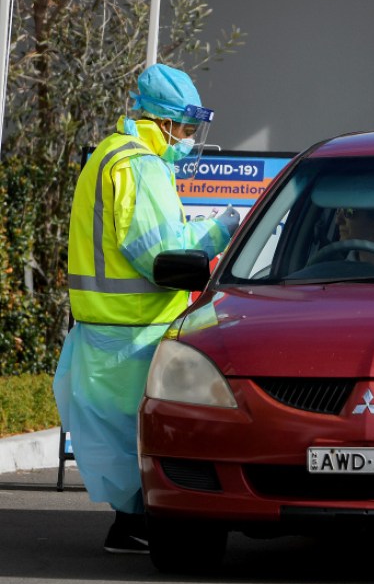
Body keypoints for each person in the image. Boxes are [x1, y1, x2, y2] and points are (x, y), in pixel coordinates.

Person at [53, 63, 240, 554]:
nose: (188, 138)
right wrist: (223, 230)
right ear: (163, 122)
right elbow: (163, 260)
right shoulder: (140, 165)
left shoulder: (107, 156)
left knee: (116, 441)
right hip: (136, 332)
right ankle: (139, 527)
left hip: (104, 329)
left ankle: (130, 525)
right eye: (185, 127)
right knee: (146, 439)